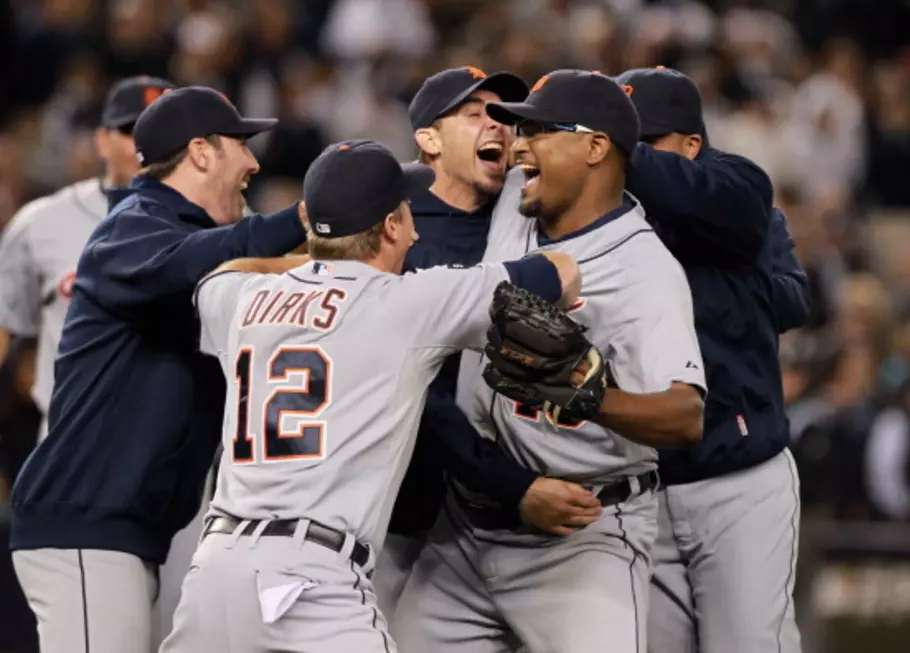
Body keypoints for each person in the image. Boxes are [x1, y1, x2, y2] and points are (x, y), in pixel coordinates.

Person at [158, 138, 581, 652]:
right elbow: (561, 273)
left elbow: (218, 276)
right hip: (311, 582)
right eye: (406, 213)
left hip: (213, 576)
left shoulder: (243, 299)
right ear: (389, 227)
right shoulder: (409, 301)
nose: (417, 228)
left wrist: (308, 267)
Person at [391, 69, 707, 653]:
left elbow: (685, 417)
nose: (519, 144)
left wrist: (592, 395)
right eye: (520, 129)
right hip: (462, 534)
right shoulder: (518, 194)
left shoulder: (645, 271)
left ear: (594, 147)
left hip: (579, 536)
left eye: (539, 130)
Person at [9, 85, 308, 653]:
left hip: (135, 530)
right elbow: (194, 262)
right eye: (240, 144)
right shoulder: (131, 225)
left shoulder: (183, 235)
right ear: (200, 151)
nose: (253, 161)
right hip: (86, 523)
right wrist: (307, 215)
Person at [377, 65, 605, 618]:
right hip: (404, 511)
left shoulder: (527, 218)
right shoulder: (392, 227)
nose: (498, 127)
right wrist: (512, 484)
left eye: (504, 117)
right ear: (428, 140)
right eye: (474, 114)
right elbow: (408, 385)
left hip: (512, 514)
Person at [615, 66, 810, 653]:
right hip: (644, 485)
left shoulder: (734, 194)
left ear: (691, 145)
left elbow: (795, 299)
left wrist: (720, 287)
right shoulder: (611, 221)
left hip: (738, 475)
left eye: (646, 143)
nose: (631, 159)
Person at [0, 75, 175, 440]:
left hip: (175, 449)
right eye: (132, 131)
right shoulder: (41, 222)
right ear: (101, 140)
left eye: (164, 132)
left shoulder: (224, 225)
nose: (147, 146)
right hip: (70, 446)